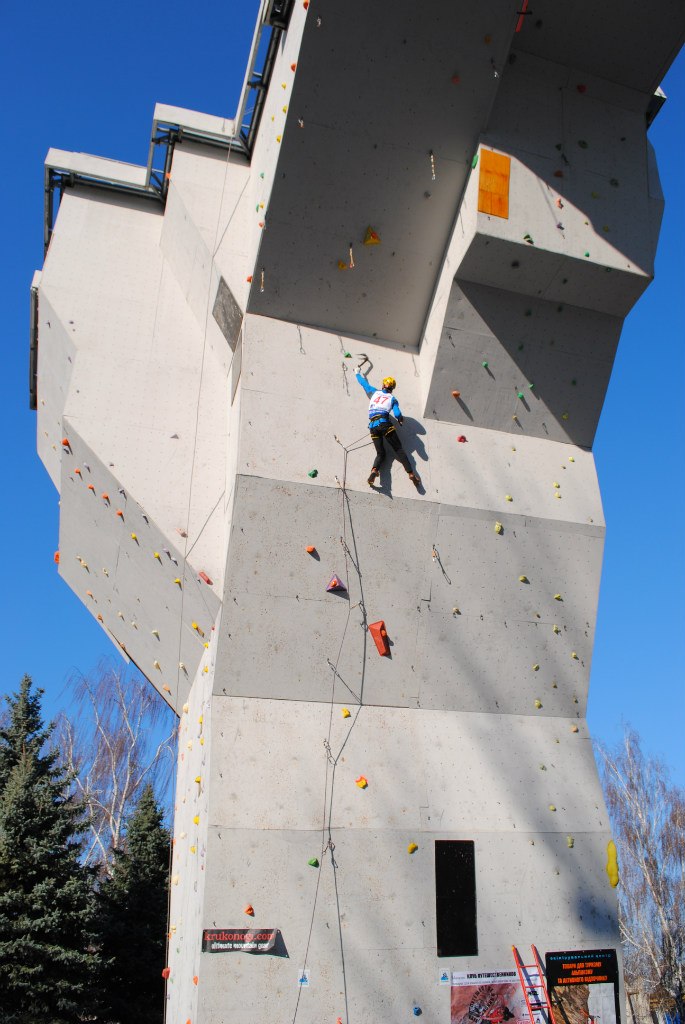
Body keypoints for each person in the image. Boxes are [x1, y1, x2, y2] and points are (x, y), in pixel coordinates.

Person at [355, 370, 421, 489]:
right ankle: (411, 474)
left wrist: (357, 373)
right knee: (399, 449)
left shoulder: (375, 392)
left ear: (383, 385)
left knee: (381, 453)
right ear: (392, 388)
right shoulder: (392, 399)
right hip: (385, 425)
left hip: (373, 426)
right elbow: (397, 413)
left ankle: (375, 470)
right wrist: (400, 420)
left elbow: (363, 384)